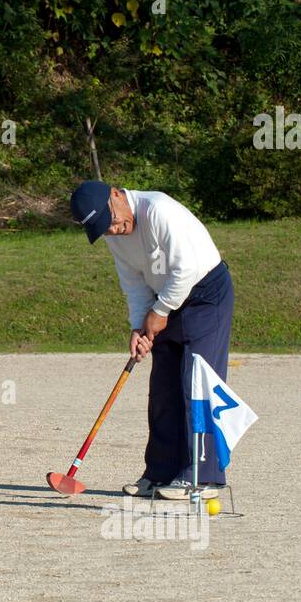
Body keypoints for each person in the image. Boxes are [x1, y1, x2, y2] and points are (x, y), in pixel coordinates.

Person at [69, 180, 235, 500]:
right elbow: (133, 283)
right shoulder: (114, 235)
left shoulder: (158, 210)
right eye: (105, 229)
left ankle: (204, 475)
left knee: (197, 385)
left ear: (116, 194)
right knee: (162, 389)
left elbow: (185, 269)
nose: (114, 230)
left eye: (113, 221)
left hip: (205, 295)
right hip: (166, 299)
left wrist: (159, 312)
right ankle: (160, 472)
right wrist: (138, 325)